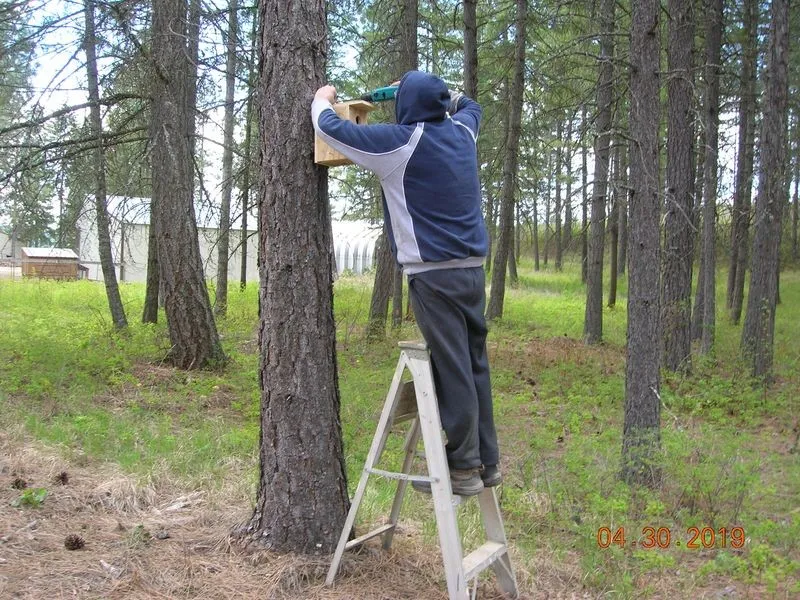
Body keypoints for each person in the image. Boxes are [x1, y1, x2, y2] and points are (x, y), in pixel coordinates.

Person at [311, 70, 500, 496]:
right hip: (472, 271)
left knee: (452, 367)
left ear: (408, 106)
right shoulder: (461, 133)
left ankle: (464, 469)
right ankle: (487, 463)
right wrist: (436, 96)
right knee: (473, 364)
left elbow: (331, 129)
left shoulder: (401, 142)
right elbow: (472, 105)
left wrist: (322, 98)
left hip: (435, 276)